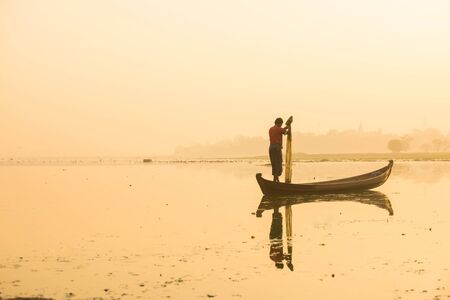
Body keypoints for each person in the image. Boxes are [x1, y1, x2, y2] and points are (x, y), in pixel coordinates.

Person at [269, 117, 290, 182]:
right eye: (281, 124)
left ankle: (275, 179)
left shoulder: (271, 129)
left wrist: (284, 128)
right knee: (278, 163)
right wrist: (288, 128)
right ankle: (276, 179)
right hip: (277, 148)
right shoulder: (279, 129)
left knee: (274, 163)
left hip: (271, 147)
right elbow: (286, 133)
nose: (281, 125)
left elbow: (279, 131)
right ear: (279, 123)